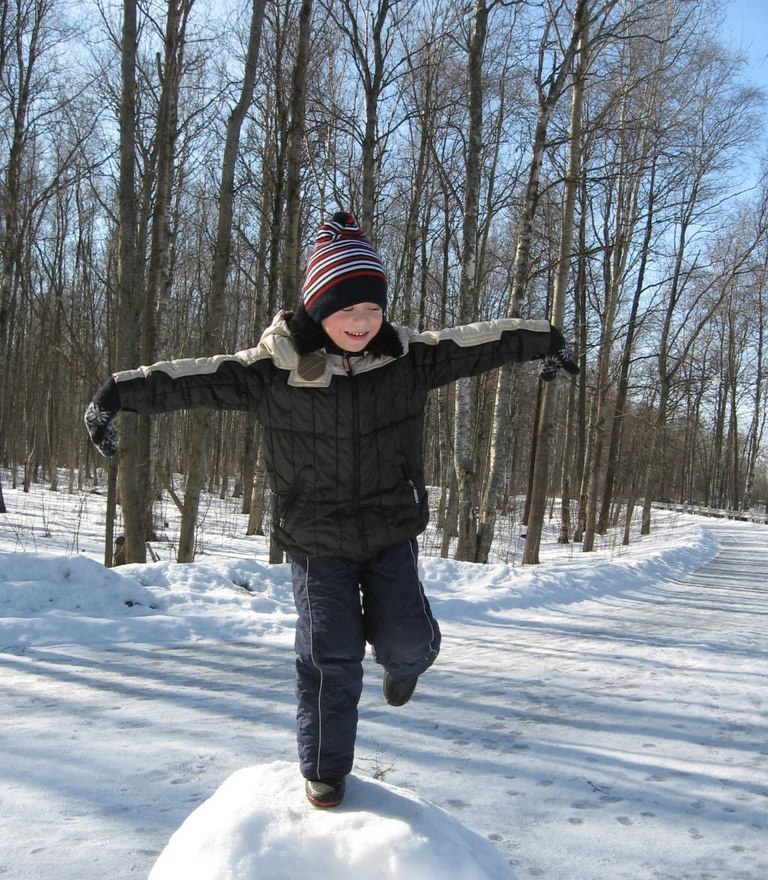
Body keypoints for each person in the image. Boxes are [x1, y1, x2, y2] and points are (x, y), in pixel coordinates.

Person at [85, 211, 578, 808]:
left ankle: (406, 665)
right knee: (328, 652)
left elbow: (485, 340)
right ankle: (324, 769)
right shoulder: (271, 372)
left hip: (390, 529)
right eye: (348, 310)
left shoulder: (409, 359)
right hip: (316, 542)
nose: (363, 322)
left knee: (408, 642)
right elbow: (189, 381)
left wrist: (550, 340)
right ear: (319, 307)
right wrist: (115, 394)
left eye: (372, 309)